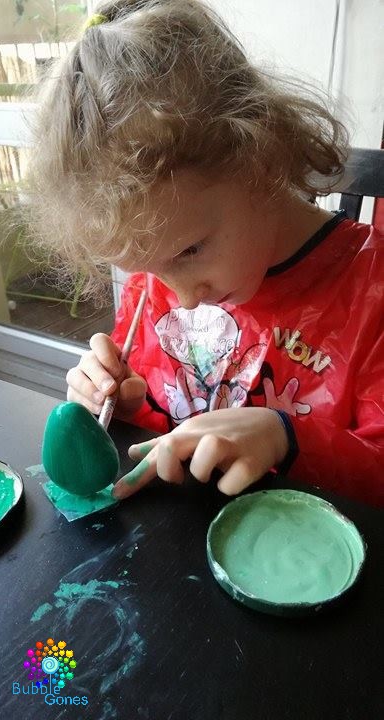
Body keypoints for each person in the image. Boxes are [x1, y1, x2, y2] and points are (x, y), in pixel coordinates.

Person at [28, 0, 384, 505]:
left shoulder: (372, 293)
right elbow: (166, 424)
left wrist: (287, 436)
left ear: (262, 156)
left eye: (190, 250)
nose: (184, 299)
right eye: (146, 269)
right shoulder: (159, 277)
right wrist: (119, 404)